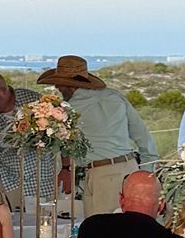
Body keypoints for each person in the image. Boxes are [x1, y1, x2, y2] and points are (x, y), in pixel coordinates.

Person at [39, 56, 157, 219]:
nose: (57, 87)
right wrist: (146, 175)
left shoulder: (69, 110)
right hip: (128, 168)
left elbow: (62, 143)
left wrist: (65, 169)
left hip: (102, 176)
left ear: (68, 84)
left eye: (59, 83)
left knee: (102, 235)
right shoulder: (115, 96)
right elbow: (143, 138)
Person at [0, 69, 40, 198]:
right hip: (6, 181)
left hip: (39, 179)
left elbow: (31, 133)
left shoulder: (32, 101)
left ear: (3, 91)